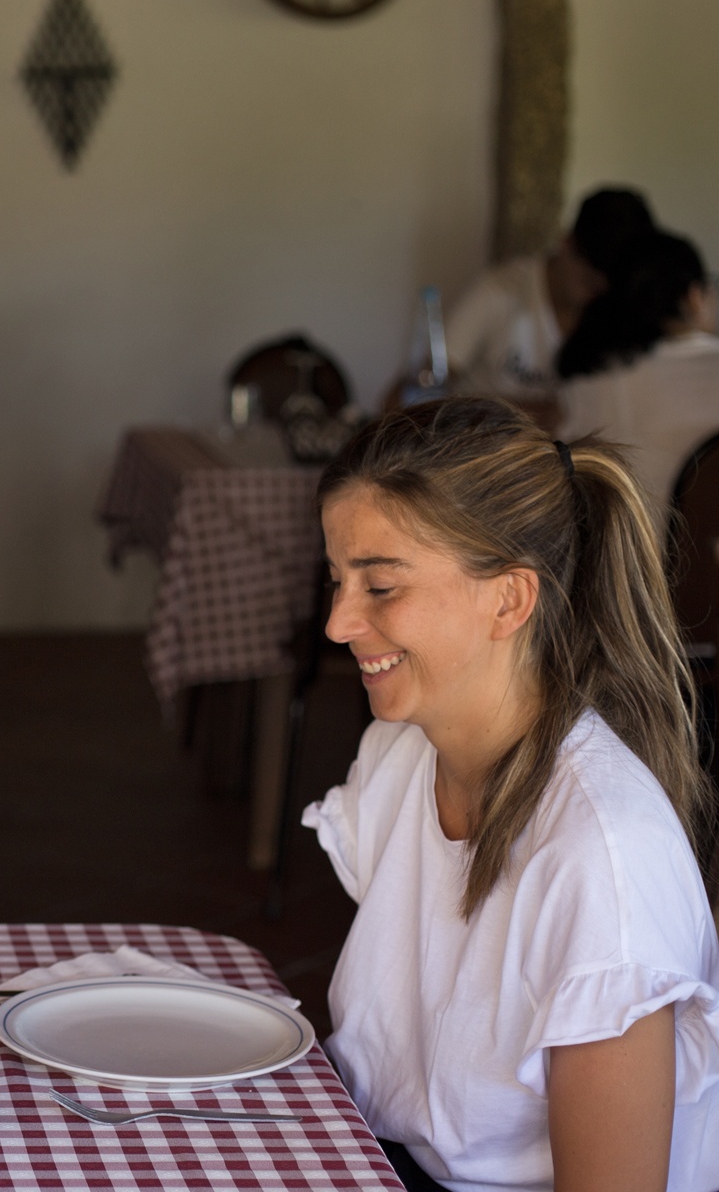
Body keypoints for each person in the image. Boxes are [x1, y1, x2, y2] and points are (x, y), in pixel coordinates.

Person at [304, 397, 719, 1192]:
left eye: (381, 586)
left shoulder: (602, 857)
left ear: (510, 599)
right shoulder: (397, 753)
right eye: (337, 580)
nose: (337, 622)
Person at [445, 187, 656, 401]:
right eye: (588, 278)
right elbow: (429, 385)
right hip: (488, 431)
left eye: (610, 282)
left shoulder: (622, 308)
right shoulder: (500, 290)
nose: (599, 289)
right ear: (567, 242)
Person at [559, 231, 719, 508]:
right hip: (700, 546)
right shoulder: (710, 364)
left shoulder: (589, 374)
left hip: (615, 546)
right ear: (694, 296)